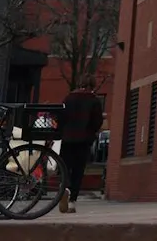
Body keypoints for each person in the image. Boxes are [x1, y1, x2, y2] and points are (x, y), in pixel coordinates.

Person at [56, 79, 105, 214]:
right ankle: (72, 202)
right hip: (83, 140)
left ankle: (66, 186)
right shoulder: (94, 100)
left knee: (65, 166)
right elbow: (97, 121)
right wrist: (91, 132)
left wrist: (62, 131)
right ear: (91, 86)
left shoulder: (68, 98)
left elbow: (60, 117)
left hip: (66, 139)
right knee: (78, 170)